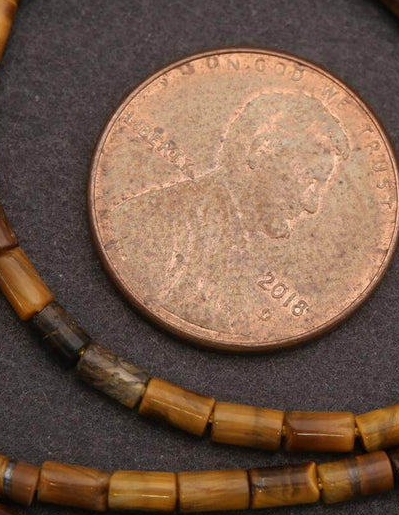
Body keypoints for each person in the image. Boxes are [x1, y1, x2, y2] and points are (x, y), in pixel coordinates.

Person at [108, 90, 351, 336]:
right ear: (261, 150)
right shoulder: (148, 223)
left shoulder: (250, 246)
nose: (312, 205)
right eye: (311, 180)